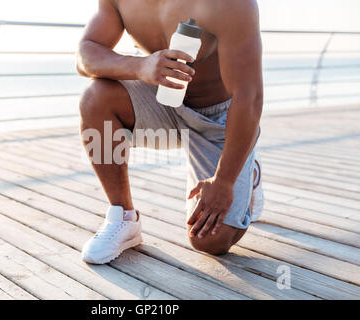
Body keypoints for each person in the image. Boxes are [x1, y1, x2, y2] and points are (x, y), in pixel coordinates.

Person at [77, 0, 264, 264]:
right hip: (164, 99)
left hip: (219, 118)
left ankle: (247, 171)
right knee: (96, 98)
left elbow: (250, 96)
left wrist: (225, 181)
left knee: (211, 239)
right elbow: (86, 54)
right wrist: (140, 66)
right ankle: (124, 218)